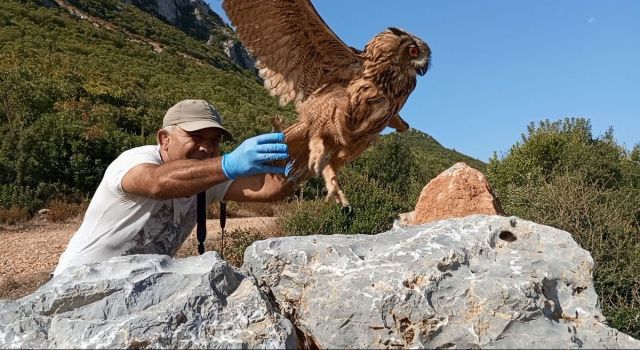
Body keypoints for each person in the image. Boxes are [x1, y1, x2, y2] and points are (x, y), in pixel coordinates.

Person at [53, 99, 291, 276]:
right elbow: (157, 183)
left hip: (137, 291)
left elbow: (269, 188)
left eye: (214, 141)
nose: (207, 148)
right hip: (77, 284)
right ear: (164, 139)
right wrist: (227, 164)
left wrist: (301, 154)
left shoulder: (207, 177)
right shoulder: (133, 160)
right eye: (196, 137)